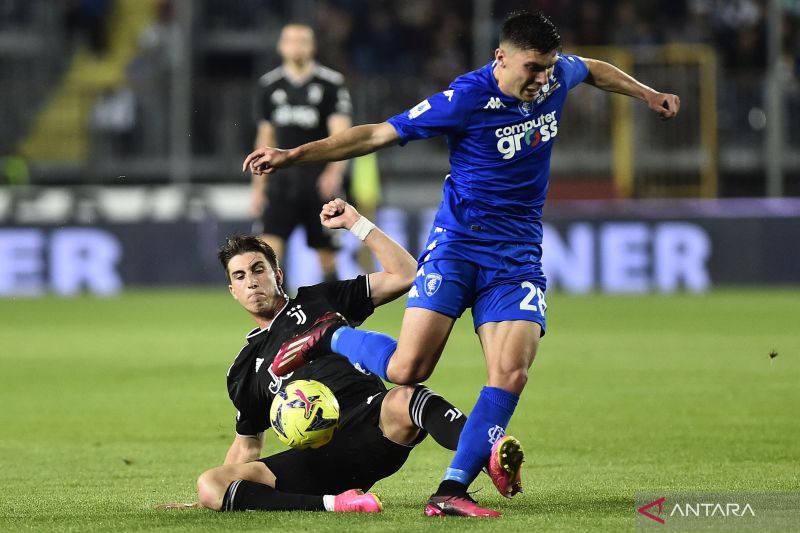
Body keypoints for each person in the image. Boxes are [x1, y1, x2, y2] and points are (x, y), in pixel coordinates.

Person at [243, 11, 680, 517]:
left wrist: (647, 94)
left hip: (517, 257)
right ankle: (330, 335)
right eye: (533, 68)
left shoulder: (557, 74)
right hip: (457, 248)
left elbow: (594, 69)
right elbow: (377, 134)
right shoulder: (466, 99)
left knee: (511, 373)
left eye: (548, 68)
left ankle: (451, 490)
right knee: (409, 368)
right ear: (501, 58)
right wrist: (293, 155)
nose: (542, 79)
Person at [186, 199, 482, 514]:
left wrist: (356, 223)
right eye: (240, 276)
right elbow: (247, 445)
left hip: (374, 425)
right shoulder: (245, 368)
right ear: (233, 290)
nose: (252, 281)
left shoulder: (319, 300)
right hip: (314, 461)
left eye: (258, 269)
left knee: (409, 397)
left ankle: (491, 458)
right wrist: (214, 498)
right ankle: (337, 504)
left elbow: (407, 274)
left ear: (278, 274)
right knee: (210, 483)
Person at [251, 23, 353, 284]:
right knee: (269, 253)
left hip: (318, 180)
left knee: (327, 257)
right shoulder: (269, 85)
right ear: (281, 47)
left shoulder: (330, 84)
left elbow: (341, 135)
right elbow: (265, 137)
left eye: (303, 41)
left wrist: (334, 171)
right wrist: (258, 187)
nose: (296, 46)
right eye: (291, 41)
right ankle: (282, 309)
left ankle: (333, 307)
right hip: (281, 181)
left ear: (313, 46)